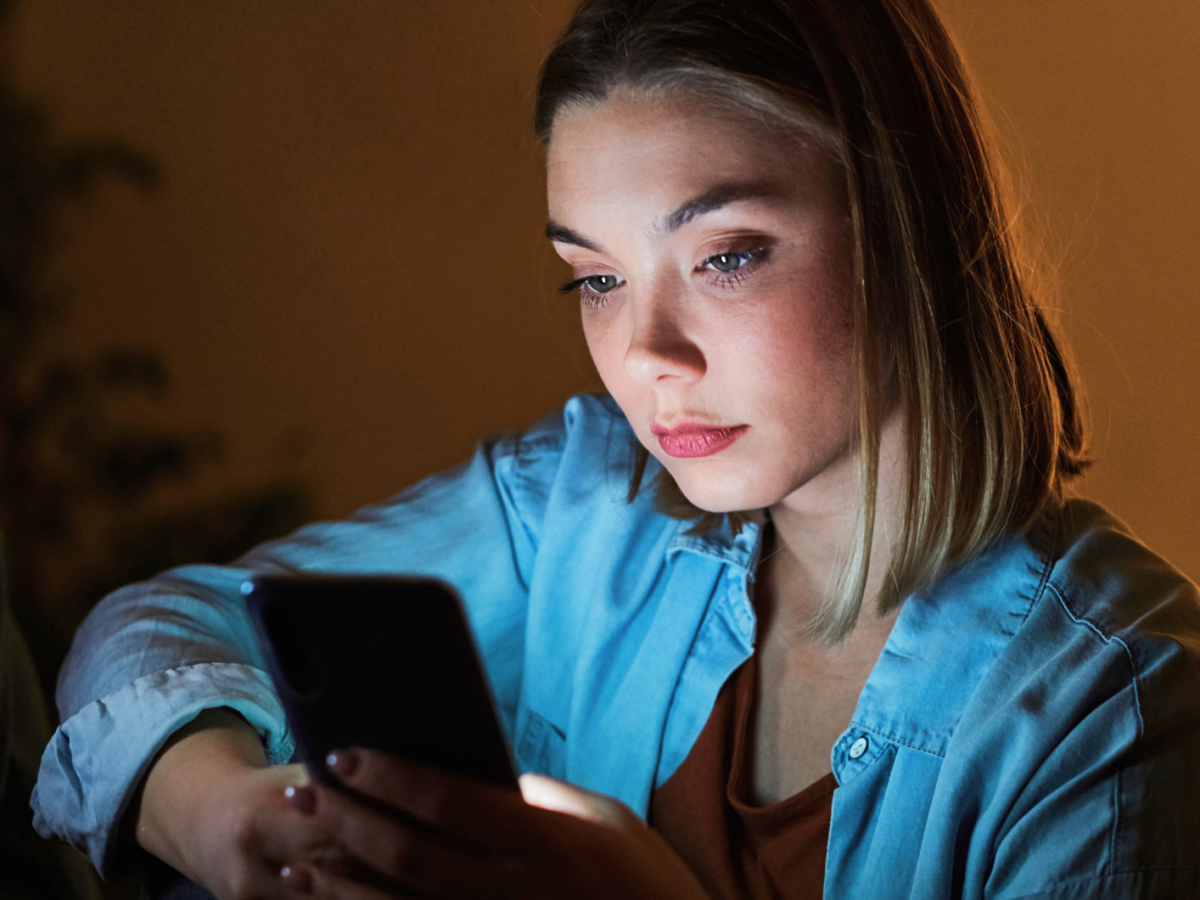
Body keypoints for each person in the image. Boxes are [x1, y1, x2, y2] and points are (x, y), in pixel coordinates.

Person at [31, 0, 1200, 897]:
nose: (647, 355)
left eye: (727, 256)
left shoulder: (1114, 700)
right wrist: (227, 820)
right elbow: (150, 629)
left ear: (909, 222)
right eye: (596, 277)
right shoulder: (575, 507)